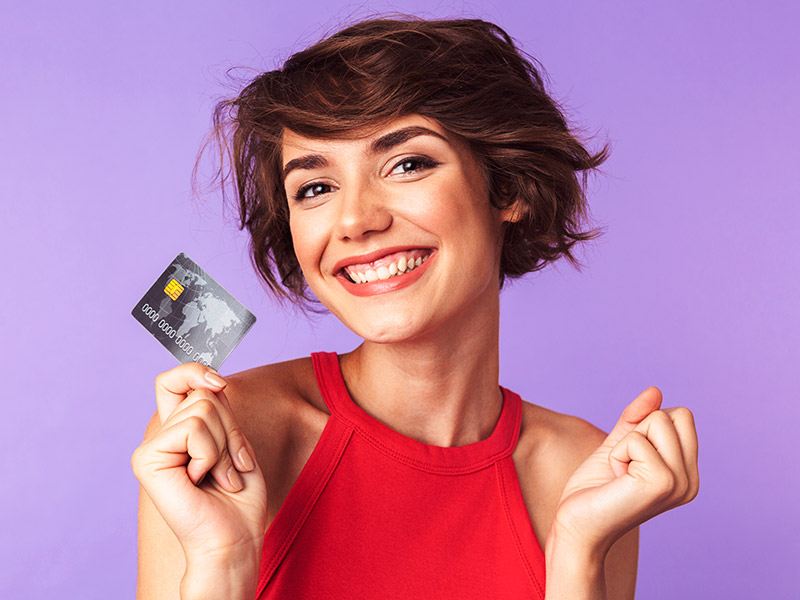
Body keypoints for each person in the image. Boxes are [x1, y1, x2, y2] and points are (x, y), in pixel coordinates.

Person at [132, 16, 699, 600]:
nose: (355, 220)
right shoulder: (228, 439)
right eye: (315, 188)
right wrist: (219, 565)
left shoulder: (584, 474)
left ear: (509, 189)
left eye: (407, 164)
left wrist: (579, 551)